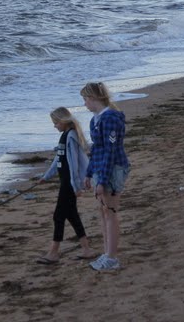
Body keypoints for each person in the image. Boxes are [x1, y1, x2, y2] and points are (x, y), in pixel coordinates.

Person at [36, 107, 96, 264]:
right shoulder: (64, 136)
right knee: (71, 215)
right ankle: (86, 249)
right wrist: (46, 177)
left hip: (69, 184)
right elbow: (58, 159)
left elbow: (73, 163)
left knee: (58, 216)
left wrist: (76, 186)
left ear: (62, 121)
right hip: (65, 182)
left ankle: (54, 252)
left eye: (55, 122)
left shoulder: (71, 136)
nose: (54, 126)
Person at [81, 81, 130, 272]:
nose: (84, 103)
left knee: (110, 212)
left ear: (93, 99)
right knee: (103, 212)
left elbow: (110, 151)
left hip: (113, 169)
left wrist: (101, 181)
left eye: (85, 99)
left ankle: (112, 257)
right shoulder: (95, 119)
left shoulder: (110, 118)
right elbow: (96, 150)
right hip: (100, 168)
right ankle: (106, 252)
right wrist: (89, 173)